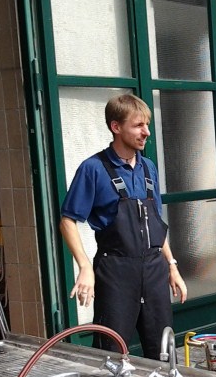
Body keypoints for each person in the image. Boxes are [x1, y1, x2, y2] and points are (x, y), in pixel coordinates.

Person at [59, 94, 187, 361]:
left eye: (147, 124)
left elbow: (155, 223)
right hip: (116, 272)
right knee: (111, 354)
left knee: (163, 352)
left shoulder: (148, 168)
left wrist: (172, 266)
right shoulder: (93, 169)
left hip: (154, 271)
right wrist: (84, 267)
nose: (146, 132)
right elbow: (67, 221)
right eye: (138, 125)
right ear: (116, 127)